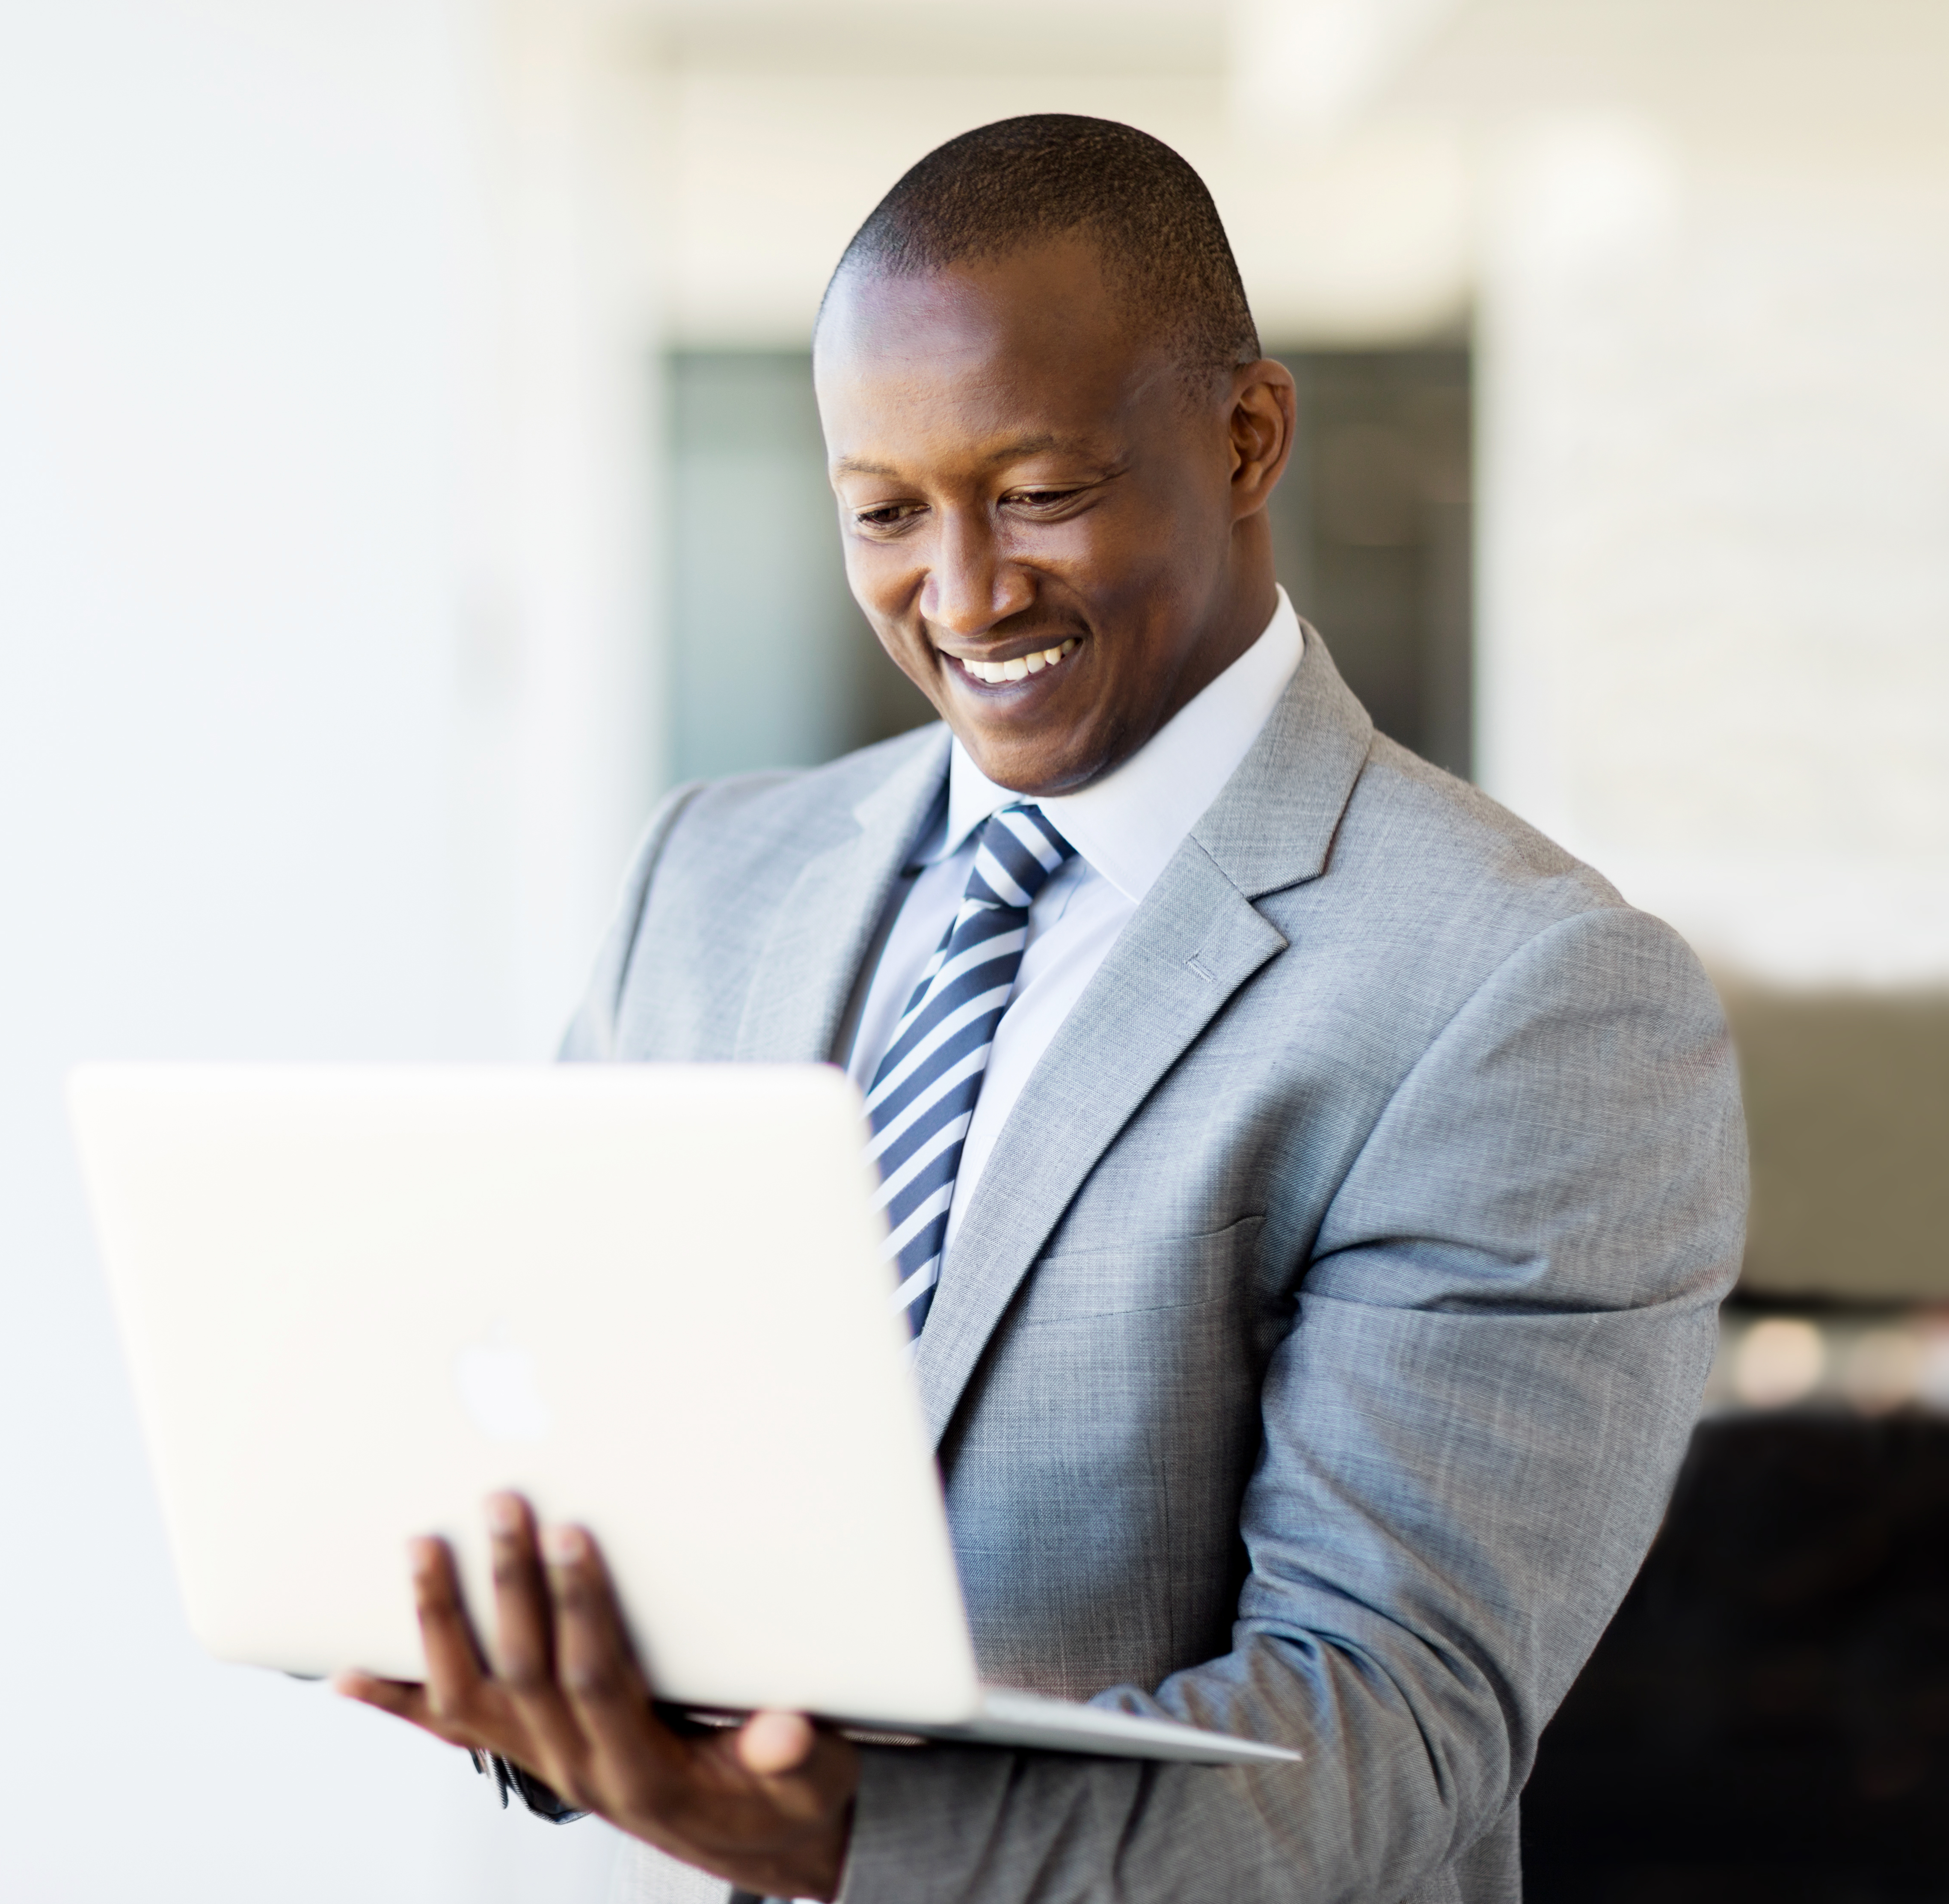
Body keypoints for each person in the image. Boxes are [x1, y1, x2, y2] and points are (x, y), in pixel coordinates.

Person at [339, 115, 1746, 1904]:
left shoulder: (1526, 996)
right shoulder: (711, 884)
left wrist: (855, 1837)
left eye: (1039, 494)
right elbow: (562, 1437)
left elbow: (1389, 1726)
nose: (965, 592)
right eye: (886, 513)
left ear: (1249, 438)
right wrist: (531, 1661)